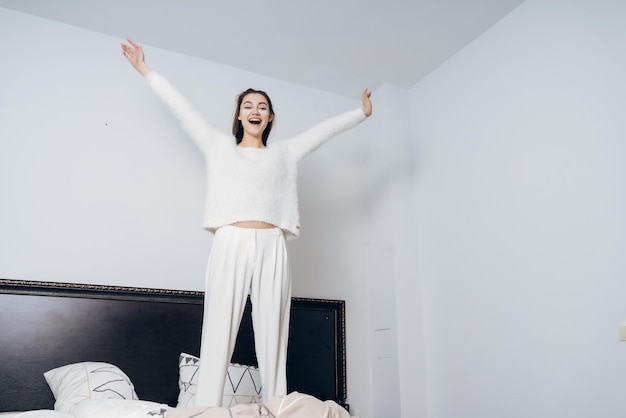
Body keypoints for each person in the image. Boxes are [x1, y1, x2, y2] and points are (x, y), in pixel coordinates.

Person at [121, 39, 372, 407]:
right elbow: (183, 110)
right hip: (231, 241)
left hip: (273, 245)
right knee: (218, 330)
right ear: (239, 116)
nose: (255, 111)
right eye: (248, 106)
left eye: (263, 107)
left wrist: (360, 114)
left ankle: (275, 408)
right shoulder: (218, 147)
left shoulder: (284, 153)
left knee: (273, 336)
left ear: (270, 118)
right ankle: (207, 409)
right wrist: (146, 69)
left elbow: (322, 133)